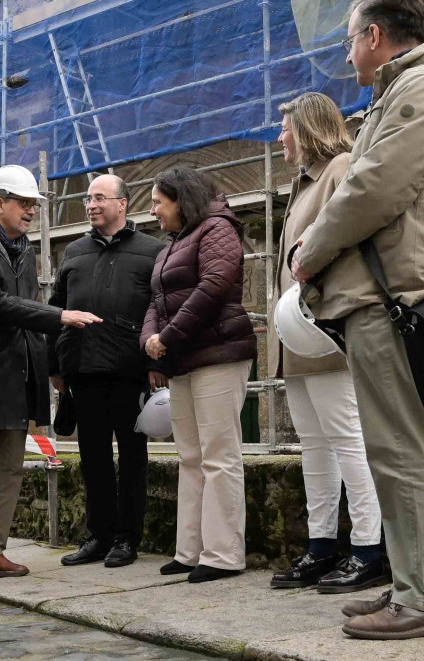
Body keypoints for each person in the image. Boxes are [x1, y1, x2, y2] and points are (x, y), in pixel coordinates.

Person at [292, 0, 424, 640]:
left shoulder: (423, 91)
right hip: (377, 298)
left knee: (399, 451)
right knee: (390, 450)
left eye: (349, 39)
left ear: (373, 36)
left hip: (391, 298)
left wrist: (312, 249)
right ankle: (409, 586)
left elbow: (372, 188)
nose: (347, 53)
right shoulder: (397, 94)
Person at [0, 165, 101, 588]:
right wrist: (58, 316)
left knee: (9, 470)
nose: (32, 211)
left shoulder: (23, 249)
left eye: (34, 204)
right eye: (25, 203)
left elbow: (23, 307)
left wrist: (48, 366)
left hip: (18, 375)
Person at [269, 93, 384, 594]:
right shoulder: (304, 182)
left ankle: (369, 550)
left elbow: (344, 245)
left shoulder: (340, 169)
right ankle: (321, 547)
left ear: (308, 127)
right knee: (315, 446)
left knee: (347, 441)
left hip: (326, 331)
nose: (279, 138)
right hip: (298, 337)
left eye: (285, 128)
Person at [140, 167, 256, 584]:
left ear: (180, 199)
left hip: (219, 354)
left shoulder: (217, 228)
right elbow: (156, 298)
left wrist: (166, 337)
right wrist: (151, 339)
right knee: (190, 457)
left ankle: (223, 555)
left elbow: (215, 285)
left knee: (218, 455)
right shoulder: (173, 240)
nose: (153, 211)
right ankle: (189, 550)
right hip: (183, 357)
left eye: (157, 202)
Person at [48, 174, 166, 569]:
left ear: (123, 204)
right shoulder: (73, 251)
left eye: (100, 198)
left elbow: (160, 310)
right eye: (88, 198)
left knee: (133, 456)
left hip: (130, 370)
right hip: (82, 368)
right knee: (92, 456)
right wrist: (56, 365)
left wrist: (155, 364)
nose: (91, 205)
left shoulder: (151, 250)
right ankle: (98, 536)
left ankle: (127, 539)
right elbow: (56, 307)